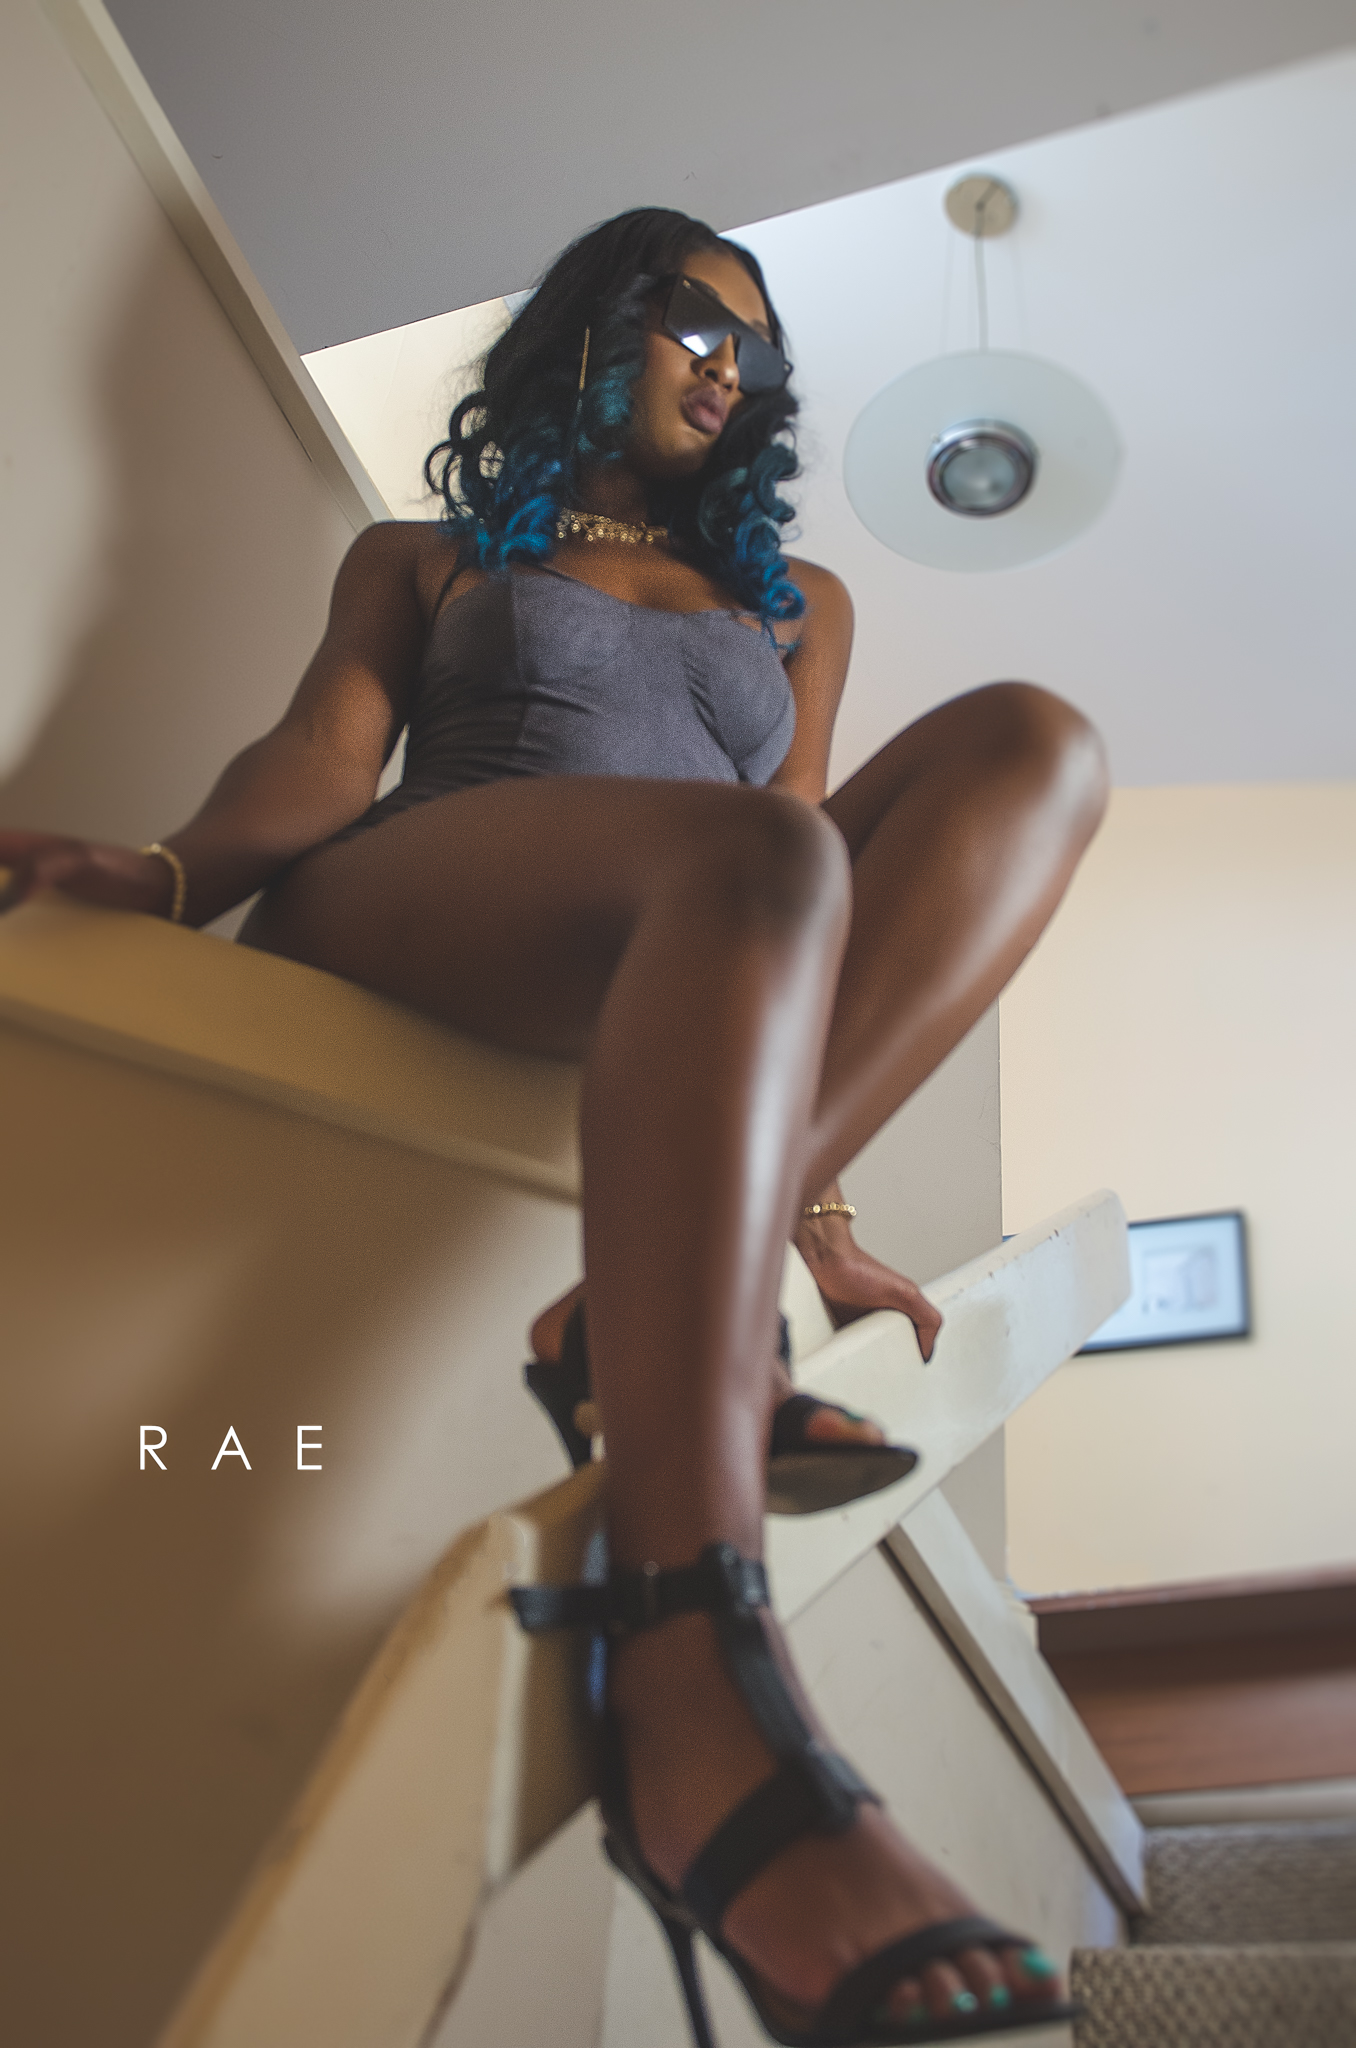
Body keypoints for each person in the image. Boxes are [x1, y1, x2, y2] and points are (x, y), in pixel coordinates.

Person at [0, 208, 1107, 2044]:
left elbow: (803, 855)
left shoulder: (795, 605)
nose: (729, 366)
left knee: (1032, 746)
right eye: (693, 320)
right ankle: (700, 1676)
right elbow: (319, 759)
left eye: (756, 346)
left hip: (704, 927)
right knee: (763, 856)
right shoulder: (424, 556)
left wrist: (818, 1214)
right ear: (590, 326)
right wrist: (174, 871)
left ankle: (670, 1303)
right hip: (434, 893)